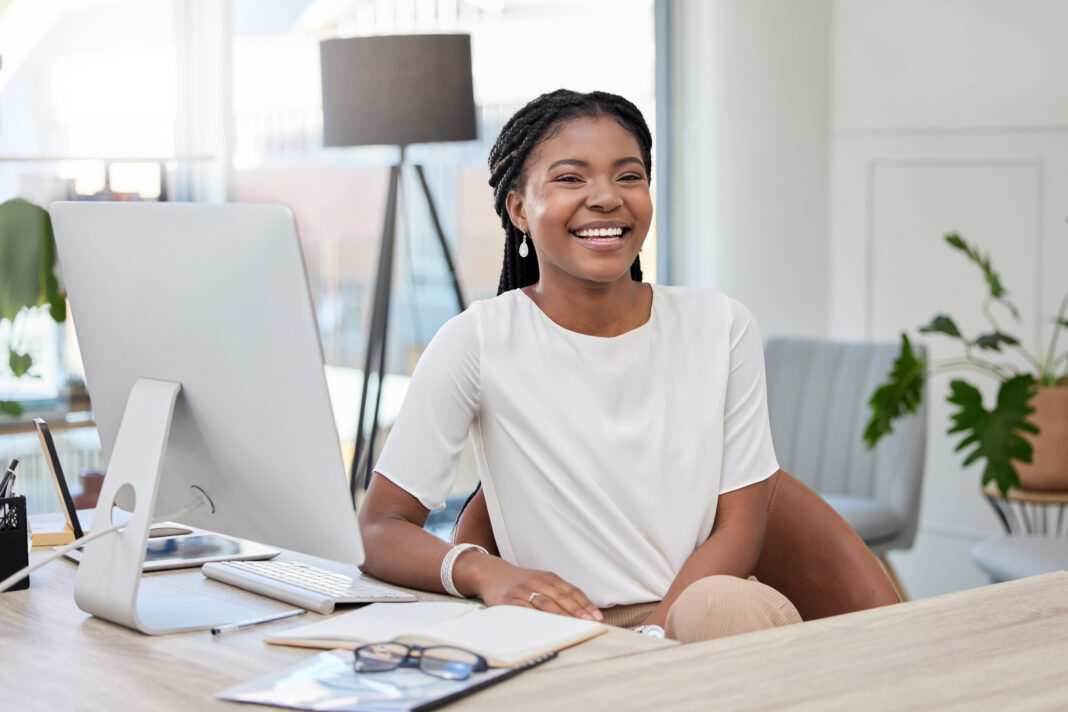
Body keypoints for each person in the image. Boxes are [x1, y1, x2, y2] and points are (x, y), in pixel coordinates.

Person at [358, 89, 801, 642]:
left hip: (707, 620)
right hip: (562, 634)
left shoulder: (721, 325)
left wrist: (650, 643)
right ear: (518, 208)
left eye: (629, 176)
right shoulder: (477, 339)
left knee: (718, 606)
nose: (606, 198)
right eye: (571, 178)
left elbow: (740, 529)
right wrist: (487, 572)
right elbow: (380, 527)